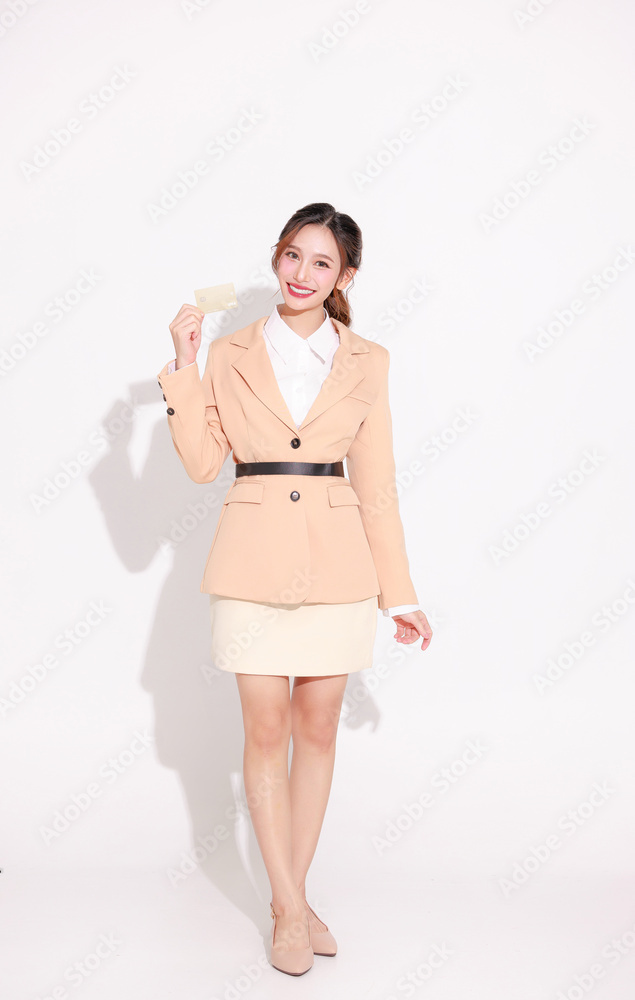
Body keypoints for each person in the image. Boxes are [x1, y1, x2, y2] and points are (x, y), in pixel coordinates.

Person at [157, 202, 433, 977]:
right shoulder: (229, 352)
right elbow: (202, 465)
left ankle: (291, 894)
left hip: (337, 566)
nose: (301, 274)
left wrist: (399, 595)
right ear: (276, 258)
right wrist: (183, 366)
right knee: (265, 731)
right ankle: (288, 908)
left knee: (316, 731)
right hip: (250, 564)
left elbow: (376, 484)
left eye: (320, 263)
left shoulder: (369, 360)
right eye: (291, 255)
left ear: (345, 276)